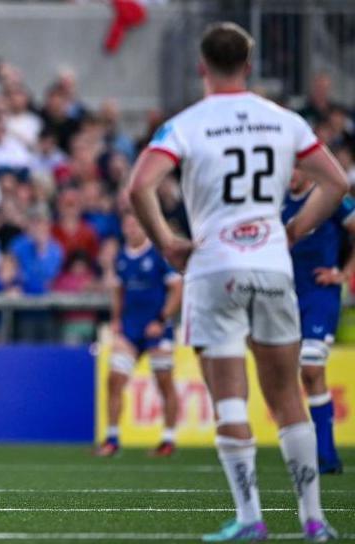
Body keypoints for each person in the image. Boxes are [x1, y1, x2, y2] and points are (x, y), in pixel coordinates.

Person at [128, 22, 347, 542]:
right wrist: (294, 228)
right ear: (248, 66)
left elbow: (140, 185)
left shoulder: (188, 123)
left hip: (214, 267)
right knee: (286, 397)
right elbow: (336, 181)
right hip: (271, 265)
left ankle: (250, 519)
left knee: (229, 398)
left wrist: (167, 241)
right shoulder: (285, 121)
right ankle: (313, 519)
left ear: (202, 67)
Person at [282, 170, 355, 475]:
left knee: (312, 368)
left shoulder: (330, 197)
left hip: (319, 296)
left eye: (295, 167)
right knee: (288, 376)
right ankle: (311, 451)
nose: (290, 175)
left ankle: (326, 453)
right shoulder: (277, 201)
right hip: (283, 296)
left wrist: (343, 274)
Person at [95, 213, 181, 458]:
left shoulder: (158, 253)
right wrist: (115, 320)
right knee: (114, 379)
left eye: (135, 225)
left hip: (156, 327)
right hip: (130, 328)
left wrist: (162, 319)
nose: (131, 229)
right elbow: (119, 291)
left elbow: (177, 289)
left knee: (164, 383)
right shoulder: (121, 257)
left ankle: (168, 439)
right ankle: (112, 439)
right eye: (127, 225)